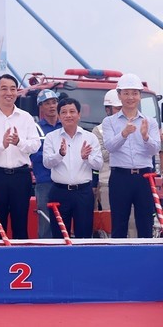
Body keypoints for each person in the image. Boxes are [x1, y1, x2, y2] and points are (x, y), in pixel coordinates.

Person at [0, 74, 41, 240]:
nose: (9, 93)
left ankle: (21, 263)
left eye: (13, 89)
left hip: (21, 176)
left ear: (17, 92)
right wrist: (1, 146)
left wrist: (19, 142)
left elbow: (35, 145)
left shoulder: (25, 117)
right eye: (4, 89)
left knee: (21, 224)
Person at [102, 73, 161, 238]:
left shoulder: (150, 122)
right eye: (126, 93)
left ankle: (146, 261)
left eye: (134, 93)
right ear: (119, 95)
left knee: (145, 223)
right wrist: (124, 133)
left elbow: (154, 149)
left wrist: (145, 137)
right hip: (120, 177)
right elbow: (110, 147)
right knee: (119, 223)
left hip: (144, 177)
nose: (130, 97)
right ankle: (118, 260)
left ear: (140, 96)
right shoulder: (109, 122)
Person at [42, 97, 102, 239]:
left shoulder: (90, 137)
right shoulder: (51, 137)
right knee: (59, 236)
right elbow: (46, 163)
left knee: (84, 235)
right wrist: (59, 154)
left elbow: (98, 164)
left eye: (72, 111)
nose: (68, 115)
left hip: (83, 193)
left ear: (79, 114)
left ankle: (83, 261)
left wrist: (86, 158)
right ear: (59, 116)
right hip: (59, 191)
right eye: (63, 112)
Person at [29, 89, 61, 238]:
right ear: (41, 106)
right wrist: (57, 155)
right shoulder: (35, 129)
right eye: (47, 103)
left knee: (65, 223)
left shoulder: (65, 126)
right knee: (46, 223)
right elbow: (34, 156)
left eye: (54, 102)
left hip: (64, 181)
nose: (51, 106)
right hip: (45, 182)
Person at [91, 89, 122, 211]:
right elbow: (101, 155)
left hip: (129, 181)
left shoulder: (133, 126)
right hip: (106, 182)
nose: (121, 112)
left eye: (122, 108)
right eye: (117, 108)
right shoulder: (98, 130)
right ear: (107, 109)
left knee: (131, 223)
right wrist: (121, 141)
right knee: (110, 220)